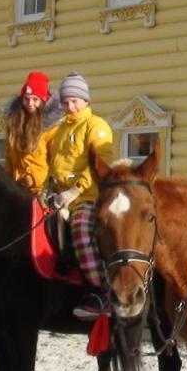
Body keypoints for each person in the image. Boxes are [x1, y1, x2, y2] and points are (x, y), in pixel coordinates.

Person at [43, 72, 114, 318]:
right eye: (65, 102)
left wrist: (75, 191)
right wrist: (49, 187)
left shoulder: (96, 126)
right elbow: (55, 163)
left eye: (74, 101)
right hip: (61, 195)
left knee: (81, 228)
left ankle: (101, 291)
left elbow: (100, 163)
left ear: (86, 101)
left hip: (89, 196)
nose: (69, 106)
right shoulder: (61, 129)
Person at [4, 71, 54, 195]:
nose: (30, 104)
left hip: (41, 192)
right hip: (17, 189)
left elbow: (55, 163)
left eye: (35, 99)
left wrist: (33, 179)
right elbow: (9, 157)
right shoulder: (15, 124)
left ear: (43, 101)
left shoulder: (51, 129)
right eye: (26, 99)